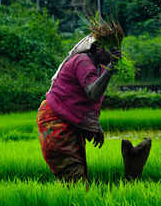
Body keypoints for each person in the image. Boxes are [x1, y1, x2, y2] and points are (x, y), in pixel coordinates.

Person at [36, 34, 122, 182]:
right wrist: (111, 67)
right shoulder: (82, 61)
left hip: (68, 124)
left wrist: (94, 126)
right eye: (112, 49)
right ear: (98, 47)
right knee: (74, 178)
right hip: (56, 123)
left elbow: (86, 104)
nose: (116, 52)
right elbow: (92, 93)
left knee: (74, 179)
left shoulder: (97, 67)